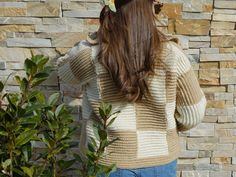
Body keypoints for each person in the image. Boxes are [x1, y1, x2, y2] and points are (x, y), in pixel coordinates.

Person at [56, 0, 207, 176]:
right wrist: (163, 124)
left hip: (106, 161)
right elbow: (193, 114)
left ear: (111, 11)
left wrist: (95, 38)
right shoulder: (173, 54)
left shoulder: (93, 54)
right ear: (148, 10)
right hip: (159, 161)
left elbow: (63, 71)